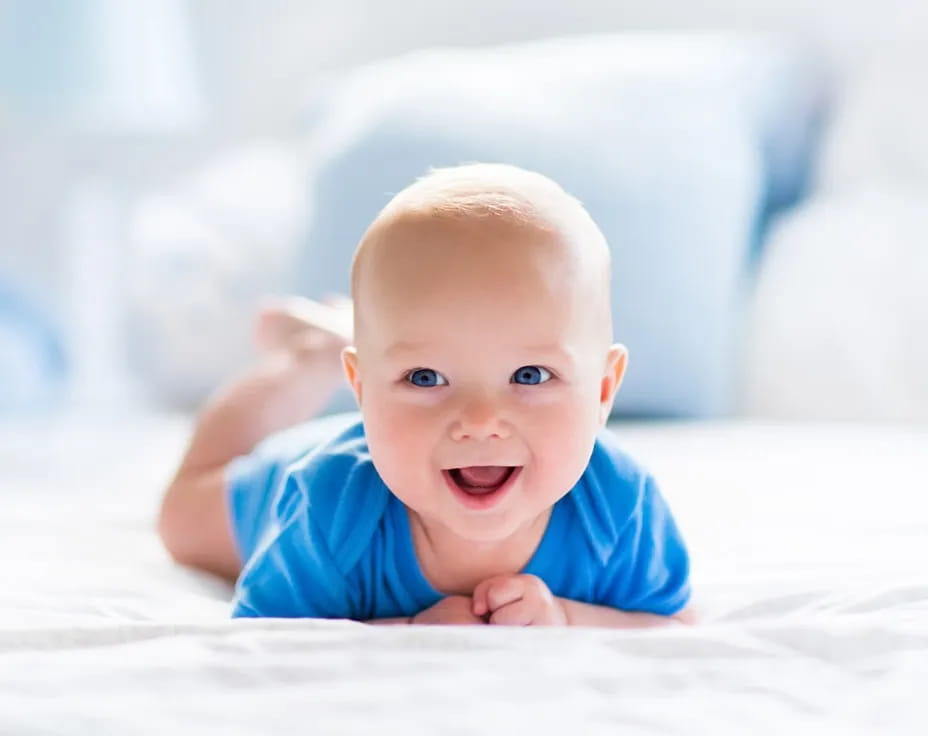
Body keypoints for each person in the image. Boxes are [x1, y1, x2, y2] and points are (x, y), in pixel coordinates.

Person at [158, 163, 693, 626]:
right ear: (362, 388)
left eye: (530, 375)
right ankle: (310, 359)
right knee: (179, 520)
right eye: (425, 377)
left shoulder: (618, 505)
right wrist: (409, 626)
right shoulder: (328, 506)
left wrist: (566, 616)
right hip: (278, 485)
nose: (481, 420)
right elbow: (268, 641)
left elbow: (670, 623)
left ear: (602, 390)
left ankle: (359, 340)